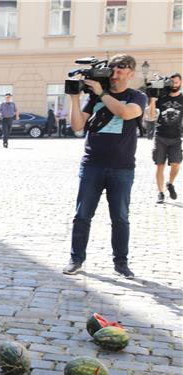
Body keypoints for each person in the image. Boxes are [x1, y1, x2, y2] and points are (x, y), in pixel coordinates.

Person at [63, 54, 147, 278]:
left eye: (120, 70)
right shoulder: (95, 98)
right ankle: (76, 259)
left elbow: (125, 113)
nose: (115, 74)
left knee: (120, 217)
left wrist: (102, 93)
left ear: (130, 73)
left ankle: (121, 263)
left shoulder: (136, 96)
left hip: (122, 168)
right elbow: (78, 126)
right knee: (82, 215)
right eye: (112, 70)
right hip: (92, 165)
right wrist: (74, 98)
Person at [148, 73, 182, 204]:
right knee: (160, 166)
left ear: (180, 83)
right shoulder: (161, 97)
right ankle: (160, 193)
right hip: (160, 136)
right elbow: (151, 116)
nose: (174, 85)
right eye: (172, 82)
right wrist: (152, 100)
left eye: (177, 82)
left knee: (176, 165)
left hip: (176, 137)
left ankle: (170, 183)